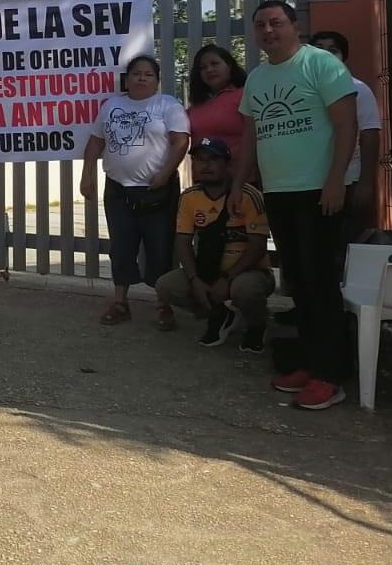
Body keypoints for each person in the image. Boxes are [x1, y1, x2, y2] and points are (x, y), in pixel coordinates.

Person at [230, 0, 357, 411]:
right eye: (261, 25)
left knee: (321, 283)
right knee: (298, 283)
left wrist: (335, 180)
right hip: (279, 193)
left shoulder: (321, 65)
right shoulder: (257, 78)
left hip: (319, 192)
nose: (269, 31)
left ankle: (331, 376)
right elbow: (250, 137)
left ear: (294, 25)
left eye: (276, 23)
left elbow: (345, 125)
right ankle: (309, 362)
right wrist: (238, 184)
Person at [81, 55, 190, 327]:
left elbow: (180, 142)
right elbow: (95, 141)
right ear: (127, 79)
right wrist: (87, 173)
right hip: (118, 191)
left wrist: (165, 175)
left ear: (156, 80)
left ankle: (163, 305)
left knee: (159, 247)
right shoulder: (112, 105)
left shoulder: (168, 105)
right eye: (136, 73)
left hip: (158, 191)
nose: (142, 78)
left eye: (148, 74)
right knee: (121, 247)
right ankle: (120, 303)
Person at [153, 137, 273, 352]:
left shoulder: (248, 196)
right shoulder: (189, 197)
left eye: (213, 159)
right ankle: (220, 315)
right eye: (199, 159)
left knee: (245, 290)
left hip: (248, 272)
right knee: (166, 286)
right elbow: (183, 242)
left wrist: (228, 278)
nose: (205, 165)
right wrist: (194, 279)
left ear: (227, 164)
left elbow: (258, 246)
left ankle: (256, 325)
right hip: (208, 270)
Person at [309, 30, 383, 236]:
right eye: (318, 49)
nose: (325, 55)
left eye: (332, 51)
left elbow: (370, 135)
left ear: (343, 57)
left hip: (349, 180)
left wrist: (366, 183)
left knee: (348, 242)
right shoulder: (304, 91)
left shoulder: (358, 89)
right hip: (312, 181)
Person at [186, 44, 247, 146]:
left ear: (229, 66)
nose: (209, 70)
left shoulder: (244, 96)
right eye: (203, 67)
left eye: (214, 64)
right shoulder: (195, 107)